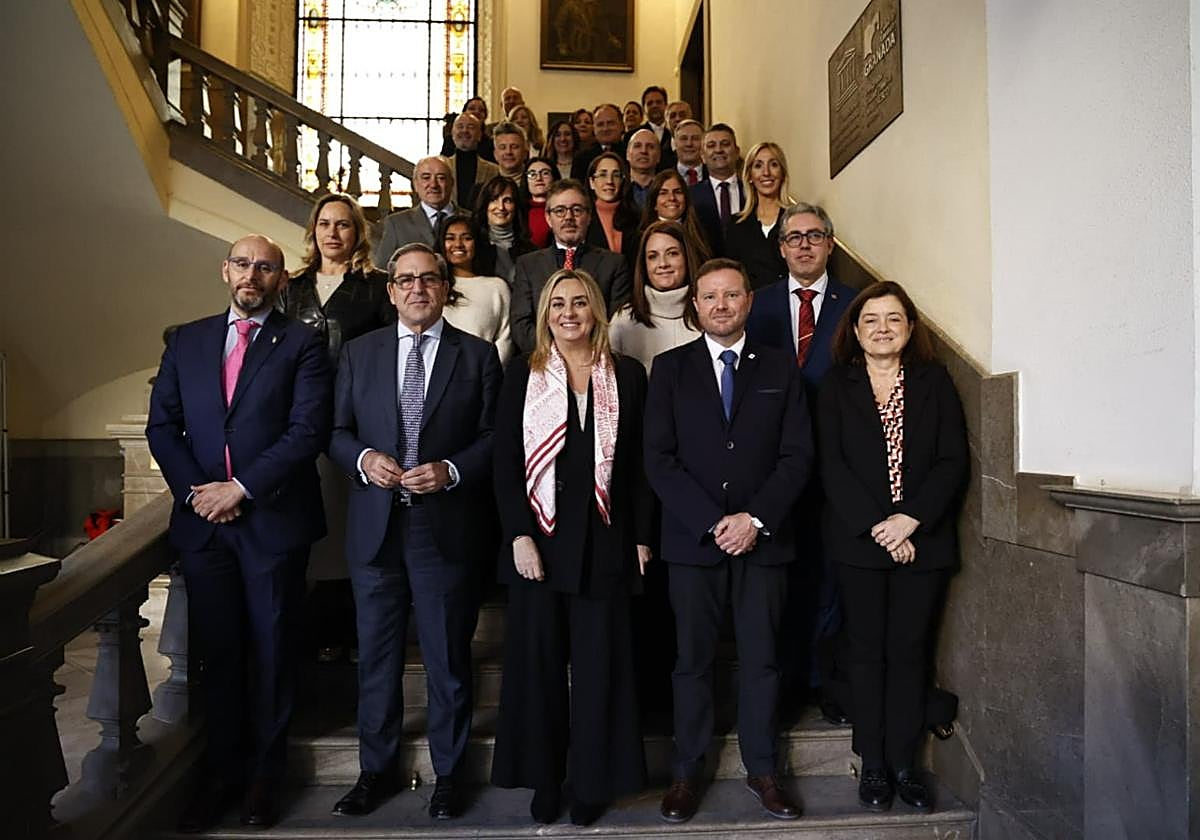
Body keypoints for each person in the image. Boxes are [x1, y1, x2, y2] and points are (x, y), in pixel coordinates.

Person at [146, 234, 332, 832]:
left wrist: (240, 489)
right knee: (217, 656)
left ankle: (262, 781)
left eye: (267, 267)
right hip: (205, 528)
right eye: (244, 263)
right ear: (225, 270)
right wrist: (199, 493)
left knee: (273, 655)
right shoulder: (188, 339)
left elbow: (307, 432)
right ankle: (220, 775)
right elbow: (163, 425)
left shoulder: (303, 342)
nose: (253, 274)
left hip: (271, 523)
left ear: (283, 279)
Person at [328, 243, 502, 820]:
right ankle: (374, 771)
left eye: (429, 279)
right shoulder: (359, 353)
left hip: (444, 528)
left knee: (448, 658)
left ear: (444, 287)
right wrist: (363, 460)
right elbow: (336, 431)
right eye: (406, 280)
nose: (417, 289)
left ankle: (450, 775)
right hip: (376, 529)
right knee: (375, 658)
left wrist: (452, 471)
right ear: (390, 290)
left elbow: (496, 440)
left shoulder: (476, 356)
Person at [644, 258, 812, 824]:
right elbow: (658, 461)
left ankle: (763, 770)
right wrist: (714, 521)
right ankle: (687, 772)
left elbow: (797, 457)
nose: (721, 305)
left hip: (764, 543)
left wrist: (754, 519)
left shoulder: (781, 368)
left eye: (732, 295)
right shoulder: (668, 370)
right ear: (695, 306)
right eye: (709, 296)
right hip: (693, 545)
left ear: (749, 302)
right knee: (691, 662)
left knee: (763, 660)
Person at [491, 268, 652, 827]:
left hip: (607, 542)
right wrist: (518, 534)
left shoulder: (627, 375)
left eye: (580, 302)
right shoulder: (522, 374)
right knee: (537, 670)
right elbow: (505, 463)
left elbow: (638, 468)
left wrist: (640, 538)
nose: (568, 312)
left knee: (601, 669)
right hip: (541, 541)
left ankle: (592, 781)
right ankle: (545, 778)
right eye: (558, 303)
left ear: (596, 311)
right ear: (544, 315)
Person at [817, 281, 967, 814]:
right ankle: (873, 763)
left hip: (922, 544)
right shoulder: (836, 385)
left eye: (894, 319)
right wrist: (882, 528)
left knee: (909, 654)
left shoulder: (935, 382)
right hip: (860, 544)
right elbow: (831, 466)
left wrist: (909, 522)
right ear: (854, 330)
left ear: (909, 329)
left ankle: (905, 763)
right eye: (871, 319)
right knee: (866, 653)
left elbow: (952, 462)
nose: (883, 328)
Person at [746, 202, 856, 724]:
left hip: (834, 466)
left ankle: (823, 678)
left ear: (830, 244)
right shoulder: (757, 304)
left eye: (815, 236)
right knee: (778, 577)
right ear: (781, 246)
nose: (805, 245)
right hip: (770, 467)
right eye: (795, 237)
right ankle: (784, 679)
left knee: (829, 575)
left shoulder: (855, 307)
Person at [279, 193, 394, 664]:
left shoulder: (375, 287)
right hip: (300, 418)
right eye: (324, 223)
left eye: (343, 224)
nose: (333, 232)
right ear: (313, 231)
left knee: (353, 529)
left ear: (357, 233)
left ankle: (353, 629)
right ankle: (314, 631)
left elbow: (392, 353)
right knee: (311, 530)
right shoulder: (290, 287)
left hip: (358, 421)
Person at [510, 178, 632, 353]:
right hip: (542, 362)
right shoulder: (528, 265)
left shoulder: (614, 264)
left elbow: (617, 324)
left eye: (576, 210)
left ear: (589, 216)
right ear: (548, 218)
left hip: (596, 361)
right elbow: (520, 324)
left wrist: (582, 356)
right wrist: (556, 355)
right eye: (560, 211)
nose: (569, 217)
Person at [434, 212, 515, 363]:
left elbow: (505, 339)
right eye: (450, 238)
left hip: (483, 375)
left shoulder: (497, 287)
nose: (458, 244)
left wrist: (488, 374)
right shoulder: (433, 286)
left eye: (467, 238)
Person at [725, 141, 793, 289]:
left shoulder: (797, 220)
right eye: (758, 166)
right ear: (749, 176)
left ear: (782, 173)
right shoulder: (735, 225)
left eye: (773, 165)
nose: (766, 172)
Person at [374, 156, 456, 266]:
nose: (433, 185)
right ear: (416, 184)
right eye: (426, 178)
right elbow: (382, 269)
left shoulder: (471, 220)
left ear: (452, 183)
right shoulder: (396, 224)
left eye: (441, 178)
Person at [690, 124, 744, 257]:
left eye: (725, 144)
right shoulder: (690, 195)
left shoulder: (752, 192)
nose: (718, 150)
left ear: (737, 152)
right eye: (711, 145)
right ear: (702, 156)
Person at [471, 174, 535, 284]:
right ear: (485, 205)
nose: (501, 207)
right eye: (494, 200)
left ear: (516, 206)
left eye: (507, 201)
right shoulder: (474, 248)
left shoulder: (531, 252)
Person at [639, 169, 712, 263]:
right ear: (654, 203)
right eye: (663, 193)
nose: (672, 198)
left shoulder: (701, 236)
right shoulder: (641, 238)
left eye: (677, 192)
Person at [584, 151, 640, 270]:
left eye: (616, 175)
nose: (609, 181)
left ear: (623, 181)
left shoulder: (636, 217)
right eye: (603, 175)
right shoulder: (582, 218)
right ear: (592, 182)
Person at [446, 113, 500, 208]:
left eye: (471, 127)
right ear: (452, 133)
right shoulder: (441, 167)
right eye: (460, 126)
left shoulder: (494, 170)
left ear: (479, 135)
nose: (465, 130)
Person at [571, 103, 626, 180]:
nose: (605, 128)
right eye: (600, 124)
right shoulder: (581, 158)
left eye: (610, 123)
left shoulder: (631, 154)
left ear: (621, 125)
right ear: (594, 128)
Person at [632, 85, 676, 170]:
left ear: (666, 105)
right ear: (644, 108)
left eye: (658, 102)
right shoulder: (632, 135)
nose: (654, 106)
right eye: (650, 103)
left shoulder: (674, 134)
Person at [520, 157, 559, 248]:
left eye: (545, 173)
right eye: (532, 174)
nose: (538, 178)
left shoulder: (564, 208)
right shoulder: (519, 210)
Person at [440, 97, 494, 162]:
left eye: (481, 110)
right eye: (471, 108)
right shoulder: (450, 140)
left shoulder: (490, 143)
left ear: (485, 116)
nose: (476, 112)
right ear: (464, 112)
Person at [625, 128, 661, 207]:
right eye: (637, 146)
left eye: (650, 147)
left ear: (659, 156)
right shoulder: (618, 188)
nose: (644, 151)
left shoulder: (666, 189)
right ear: (627, 154)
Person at [673, 119, 706, 187]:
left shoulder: (714, 175)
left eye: (695, 138)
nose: (689, 144)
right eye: (684, 139)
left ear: (704, 143)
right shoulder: (663, 178)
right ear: (675, 144)